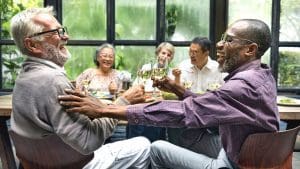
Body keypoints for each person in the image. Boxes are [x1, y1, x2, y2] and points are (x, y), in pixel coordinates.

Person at [59, 19, 279, 168]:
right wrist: (177, 89)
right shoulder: (261, 74)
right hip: (242, 151)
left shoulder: (242, 86)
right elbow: (212, 103)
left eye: (228, 39)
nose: (220, 44)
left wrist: (105, 109)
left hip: (234, 163)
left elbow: (185, 112)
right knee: (177, 134)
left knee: (155, 148)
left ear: (250, 49)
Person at [10, 7, 150, 169]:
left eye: (62, 30)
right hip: (68, 164)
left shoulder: (24, 76)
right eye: (56, 32)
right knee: (143, 145)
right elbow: (88, 141)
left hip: (41, 161)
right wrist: (125, 100)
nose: (66, 36)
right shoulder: (54, 80)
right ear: (33, 45)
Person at [168, 37, 226, 149]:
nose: (191, 55)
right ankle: (175, 151)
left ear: (206, 53)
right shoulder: (183, 66)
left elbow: (225, 92)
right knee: (170, 118)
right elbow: (175, 90)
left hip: (209, 112)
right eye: (190, 51)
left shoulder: (218, 69)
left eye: (196, 52)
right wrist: (176, 78)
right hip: (186, 111)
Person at [128, 42, 175, 142]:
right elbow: (136, 86)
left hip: (160, 109)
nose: (165, 57)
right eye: (163, 53)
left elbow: (171, 95)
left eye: (169, 55)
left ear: (171, 58)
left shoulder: (171, 73)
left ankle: (153, 147)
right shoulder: (146, 68)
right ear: (157, 54)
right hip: (142, 105)